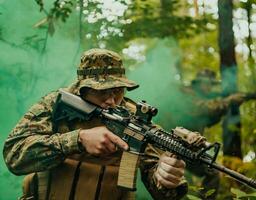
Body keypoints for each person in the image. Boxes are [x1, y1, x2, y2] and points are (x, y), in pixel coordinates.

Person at [3, 49, 189, 200]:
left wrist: (165, 179)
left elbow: (159, 186)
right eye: (102, 92)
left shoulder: (134, 120)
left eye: (117, 91)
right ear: (82, 88)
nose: (111, 101)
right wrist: (78, 139)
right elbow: (14, 155)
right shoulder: (56, 104)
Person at [184, 69, 245, 200]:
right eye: (208, 83)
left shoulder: (200, 97)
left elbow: (209, 119)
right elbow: (203, 109)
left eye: (211, 84)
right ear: (200, 83)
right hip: (171, 142)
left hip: (188, 146)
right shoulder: (187, 93)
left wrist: (227, 105)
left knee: (212, 171)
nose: (210, 87)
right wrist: (228, 101)